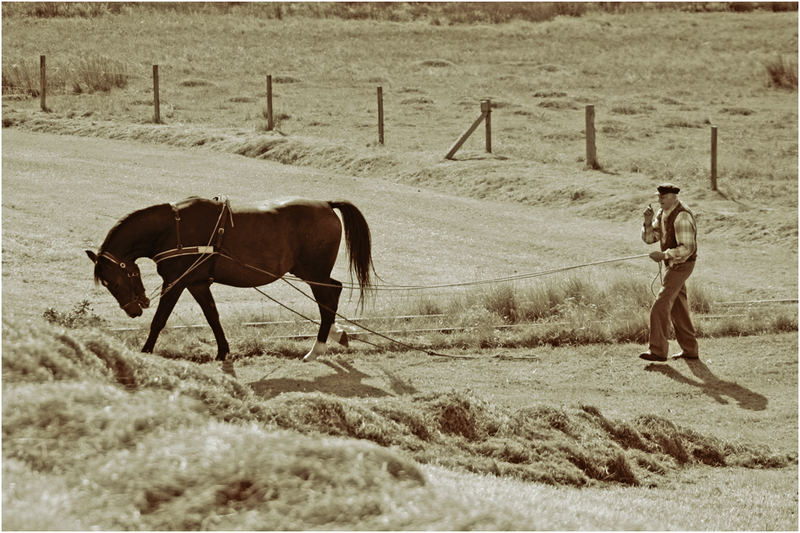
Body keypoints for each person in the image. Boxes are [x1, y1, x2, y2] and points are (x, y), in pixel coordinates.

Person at [639, 183, 699, 362]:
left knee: (660, 305)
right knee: (679, 308)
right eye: (658, 197)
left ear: (673, 197)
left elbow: (688, 248)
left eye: (662, 197)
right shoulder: (661, 213)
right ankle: (690, 350)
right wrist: (648, 222)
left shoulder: (682, 217)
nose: (659, 200)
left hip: (682, 265)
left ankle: (657, 351)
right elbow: (651, 239)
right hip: (672, 264)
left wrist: (664, 254)